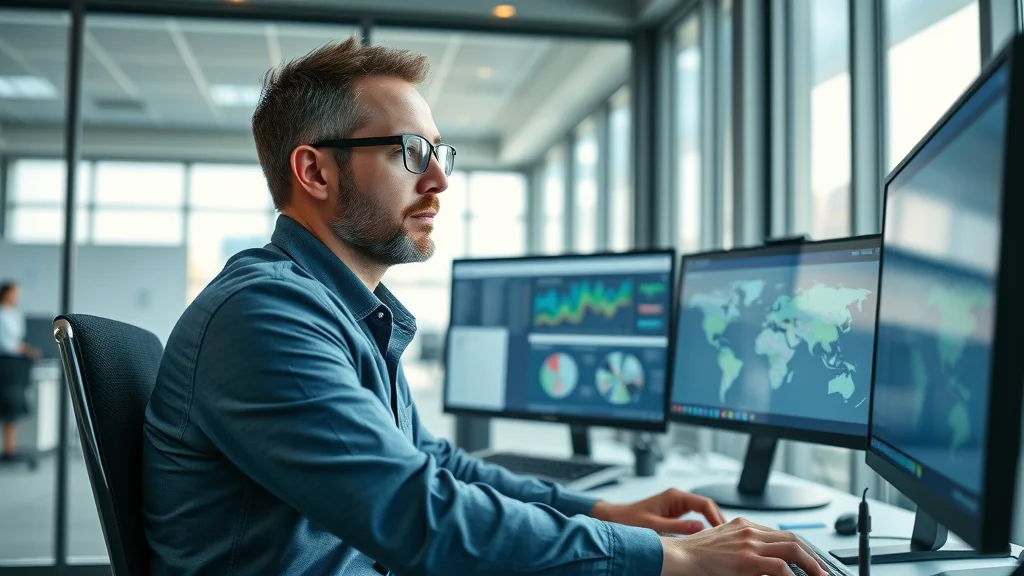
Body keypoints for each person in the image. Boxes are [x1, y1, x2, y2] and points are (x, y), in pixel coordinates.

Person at [142, 37, 829, 576]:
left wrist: (604, 510)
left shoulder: (336, 311)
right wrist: (669, 558)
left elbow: (431, 465)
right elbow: (417, 516)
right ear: (315, 171)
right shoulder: (265, 317)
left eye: (440, 152)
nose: (439, 180)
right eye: (413, 152)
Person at [0, 280, 39, 459]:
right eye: (15, 293)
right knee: (6, 404)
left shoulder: (15, 314)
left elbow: (18, 340)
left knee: (13, 407)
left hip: (17, 365)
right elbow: (7, 344)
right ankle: (8, 449)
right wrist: (25, 349)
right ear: (6, 293)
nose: (17, 297)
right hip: (5, 364)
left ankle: (10, 449)